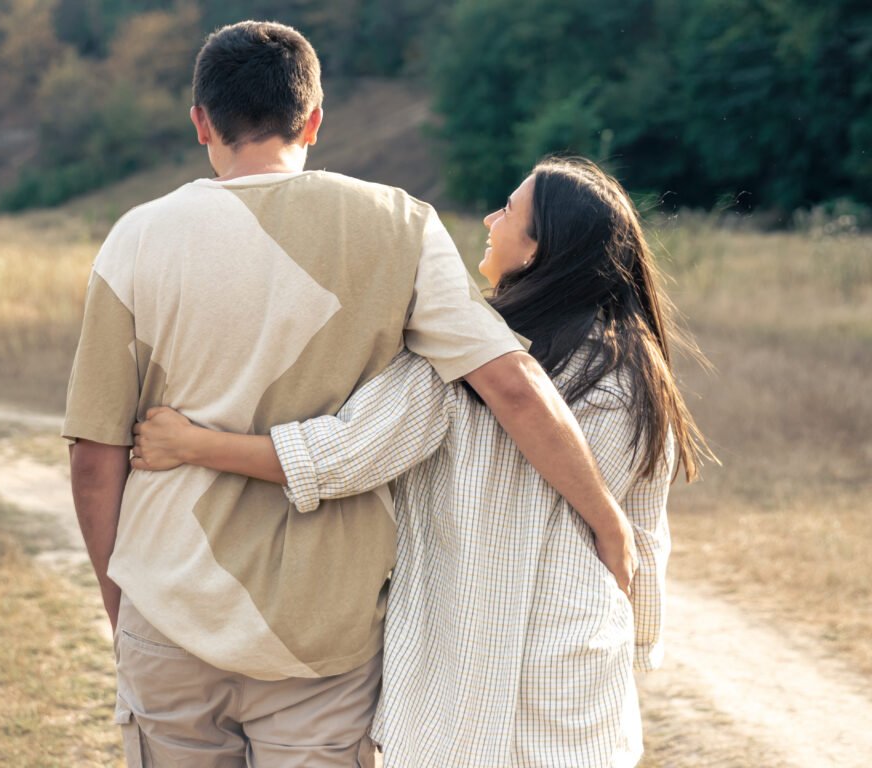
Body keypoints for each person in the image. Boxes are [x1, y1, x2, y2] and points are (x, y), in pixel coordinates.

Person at [64, 19, 636, 768]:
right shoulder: (399, 223)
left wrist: (124, 607)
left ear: (200, 118)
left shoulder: (137, 236)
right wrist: (608, 524)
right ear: (315, 119)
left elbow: (94, 453)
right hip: (323, 633)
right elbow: (513, 386)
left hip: (168, 610)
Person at [131, 157, 712, 766]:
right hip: (580, 657)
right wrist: (639, 636)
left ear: (542, 250)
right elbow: (645, 530)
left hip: (464, 663)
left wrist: (194, 444)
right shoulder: (640, 371)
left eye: (509, 210)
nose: (491, 218)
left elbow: (343, 455)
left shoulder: (466, 355)